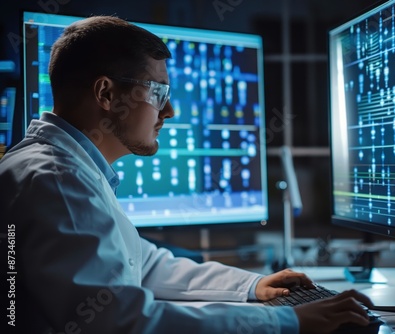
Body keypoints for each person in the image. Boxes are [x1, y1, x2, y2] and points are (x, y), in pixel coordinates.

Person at [0, 15, 374, 333]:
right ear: (107, 94)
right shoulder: (58, 180)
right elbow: (121, 321)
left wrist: (253, 285)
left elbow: (143, 264)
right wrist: (284, 324)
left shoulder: (62, 167)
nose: (170, 111)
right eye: (158, 92)